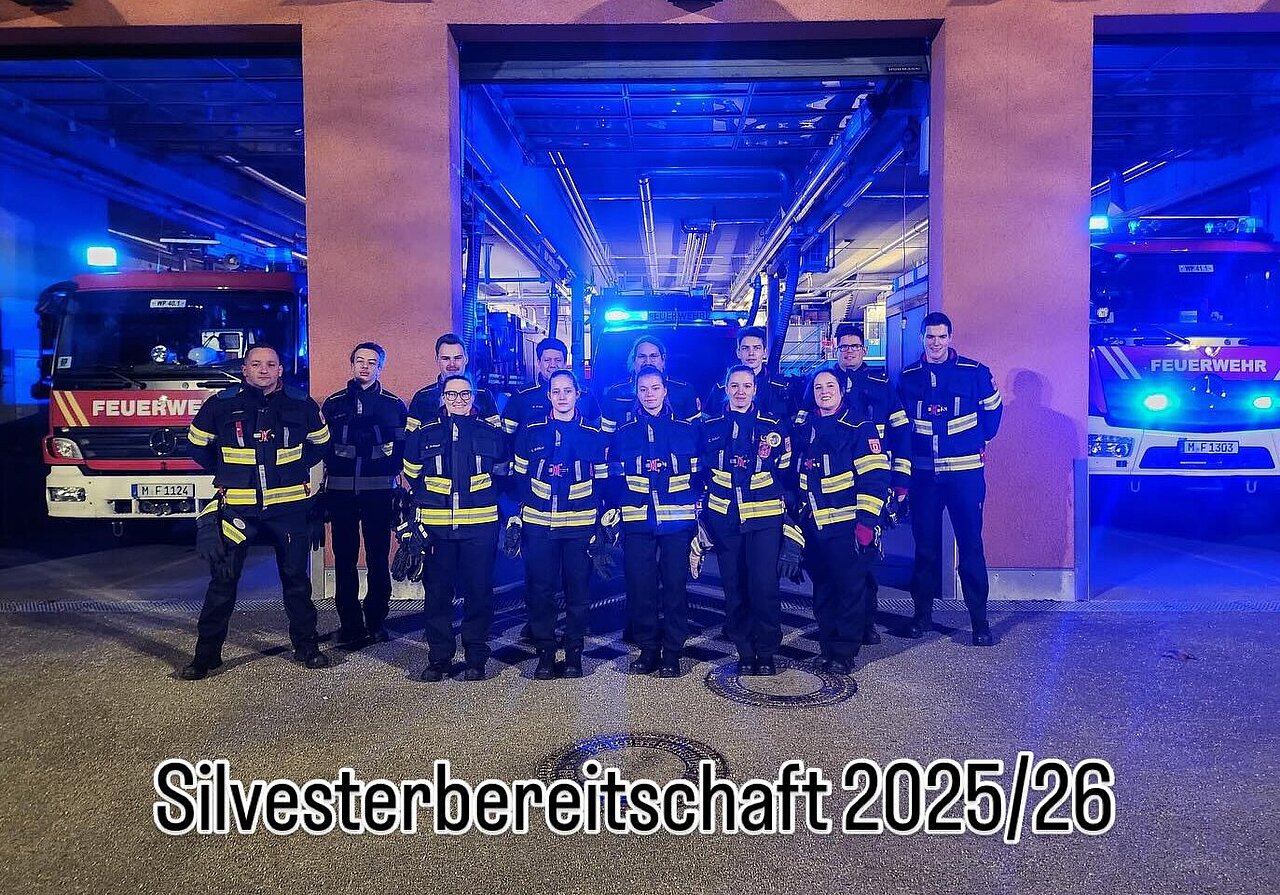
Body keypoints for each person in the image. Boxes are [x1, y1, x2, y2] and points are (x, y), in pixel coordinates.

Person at [180, 345, 331, 679]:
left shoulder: (301, 403)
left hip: (288, 507)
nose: (264, 370)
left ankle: (307, 647)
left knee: (296, 581)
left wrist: (293, 470)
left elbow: (320, 444)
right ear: (244, 369)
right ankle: (205, 657)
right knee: (223, 581)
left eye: (271, 364)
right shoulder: (221, 404)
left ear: (280, 370)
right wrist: (227, 472)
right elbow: (196, 445)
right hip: (238, 507)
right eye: (256, 364)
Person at [799, 324, 912, 643]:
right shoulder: (822, 381)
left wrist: (901, 479)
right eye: (843, 346)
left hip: (868, 481)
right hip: (826, 500)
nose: (849, 351)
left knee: (863, 563)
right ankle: (839, 628)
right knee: (835, 571)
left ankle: (865, 623)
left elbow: (901, 431)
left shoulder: (882, 383)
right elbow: (803, 438)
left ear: (863, 349)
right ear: (835, 349)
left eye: (854, 346)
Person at [898, 312, 1003, 646]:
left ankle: (980, 622)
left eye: (942, 337)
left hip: (964, 474)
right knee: (925, 548)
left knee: (971, 546)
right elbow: (901, 424)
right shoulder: (909, 377)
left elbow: (993, 414)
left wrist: (976, 441)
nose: (936, 343)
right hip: (924, 476)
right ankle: (922, 616)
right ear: (922, 338)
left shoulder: (975, 372)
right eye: (930, 337)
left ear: (950, 337)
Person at [402, 372, 505, 680]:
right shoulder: (424, 433)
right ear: (442, 398)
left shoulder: (490, 432)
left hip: (480, 526)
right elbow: (412, 475)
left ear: (472, 397)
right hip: (437, 528)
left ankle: (476, 657)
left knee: (479, 593)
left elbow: (503, 473)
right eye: (452, 394)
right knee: (437, 595)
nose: (458, 400)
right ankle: (439, 659)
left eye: (464, 394)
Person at [699, 365, 801, 676]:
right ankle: (744, 650)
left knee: (764, 586)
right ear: (726, 389)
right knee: (734, 587)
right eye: (734, 385)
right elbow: (701, 471)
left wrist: (788, 512)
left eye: (746, 386)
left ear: (755, 390)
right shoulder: (710, 425)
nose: (740, 391)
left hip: (764, 518)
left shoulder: (774, 425)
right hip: (725, 518)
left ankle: (766, 651)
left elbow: (786, 470)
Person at [507, 369, 609, 679]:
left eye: (568, 391)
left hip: (580, 525)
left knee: (578, 591)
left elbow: (602, 481)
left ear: (578, 394)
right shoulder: (532, 432)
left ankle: (574, 655)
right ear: (548, 395)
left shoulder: (593, 434)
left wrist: (599, 521)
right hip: (539, 525)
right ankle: (546, 655)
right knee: (541, 591)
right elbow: (520, 476)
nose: (562, 397)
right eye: (556, 391)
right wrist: (521, 512)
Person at [792, 370, 890, 674]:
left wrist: (866, 523)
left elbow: (875, 478)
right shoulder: (804, 427)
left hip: (847, 525)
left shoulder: (860, 427)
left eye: (830, 386)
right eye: (818, 387)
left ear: (841, 390)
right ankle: (827, 648)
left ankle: (844, 652)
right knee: (823, 590)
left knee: (849, 591)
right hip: (814, 526)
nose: (824, 391)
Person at [609, 365, 701, 677]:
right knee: (641, 587)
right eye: (643, 389)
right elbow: (613, 477)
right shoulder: (624, 432)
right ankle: (647, 649)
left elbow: (698, 474)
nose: (650, 395)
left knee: (675, 587)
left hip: (677, 521)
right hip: (637, 520)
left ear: (665, 391)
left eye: (655, 388)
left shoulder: (686, 429)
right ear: (636, 392)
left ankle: (672, 652)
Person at [319, 341, 407, 648]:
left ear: (381, 367)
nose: (365, 366)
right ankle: (350, 624)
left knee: (378, 558)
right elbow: (323, 446)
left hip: (379, 493)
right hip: (341, 492)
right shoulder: (333, 404)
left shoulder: (394, 405)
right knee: (344, 559)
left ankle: (376, 621)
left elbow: (401, 450)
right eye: (360, 361)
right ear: (352, 364)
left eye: (371, 362)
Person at [600, 334, 701, 433]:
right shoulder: (615, 393)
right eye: (642, 356)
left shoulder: (685, 391)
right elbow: (607, 436)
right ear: (634, 360)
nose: (648, 362)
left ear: (663, 359)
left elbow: (695, 432)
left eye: (653, 356)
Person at [501, 337, 601, 436]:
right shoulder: (522, 396)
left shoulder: (585, 395)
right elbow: (506, 435)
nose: (552, 365)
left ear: (565, 363)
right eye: (547, 360)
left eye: (558, 360)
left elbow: (598, 432)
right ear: (539, 363)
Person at [405, 333, 500, 433]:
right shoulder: (421, 398)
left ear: (466, 359)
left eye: (457, 358)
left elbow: (497, 435)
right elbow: (410, 437)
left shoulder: (484, 396)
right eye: (446, 358)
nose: (452, 364)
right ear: (437, 360)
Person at [705, 326, 796, 423]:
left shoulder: (782, 388)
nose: (751, 353)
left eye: (757, 348)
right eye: (745, 348)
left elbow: (793, 424)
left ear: (765, 352)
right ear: (738, 353)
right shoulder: (720, 389)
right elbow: (707, 424)